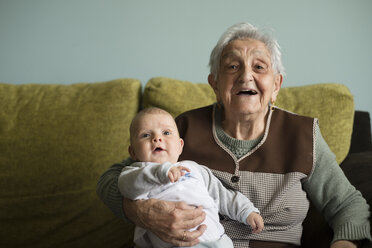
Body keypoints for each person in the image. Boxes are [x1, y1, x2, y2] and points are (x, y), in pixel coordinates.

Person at [97, 22, 371, 247]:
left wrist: (344, 244)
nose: (245, 77)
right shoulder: (182, 129)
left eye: (259, 67)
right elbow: (113, 178)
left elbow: (347, 202)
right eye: (232, 66)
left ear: (276, 85)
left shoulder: (303, 135)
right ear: (215, 84)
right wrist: (140, 213)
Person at [118, 107, 264, 248]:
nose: (157, 138)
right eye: (145, 135)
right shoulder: (137, 173)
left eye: (166, 133)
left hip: (217, 241)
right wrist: (159, 172)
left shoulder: (194, 169)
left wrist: (246, 211)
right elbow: (126, 187)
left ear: (180, 145)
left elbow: (222, 194)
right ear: (133, 152)